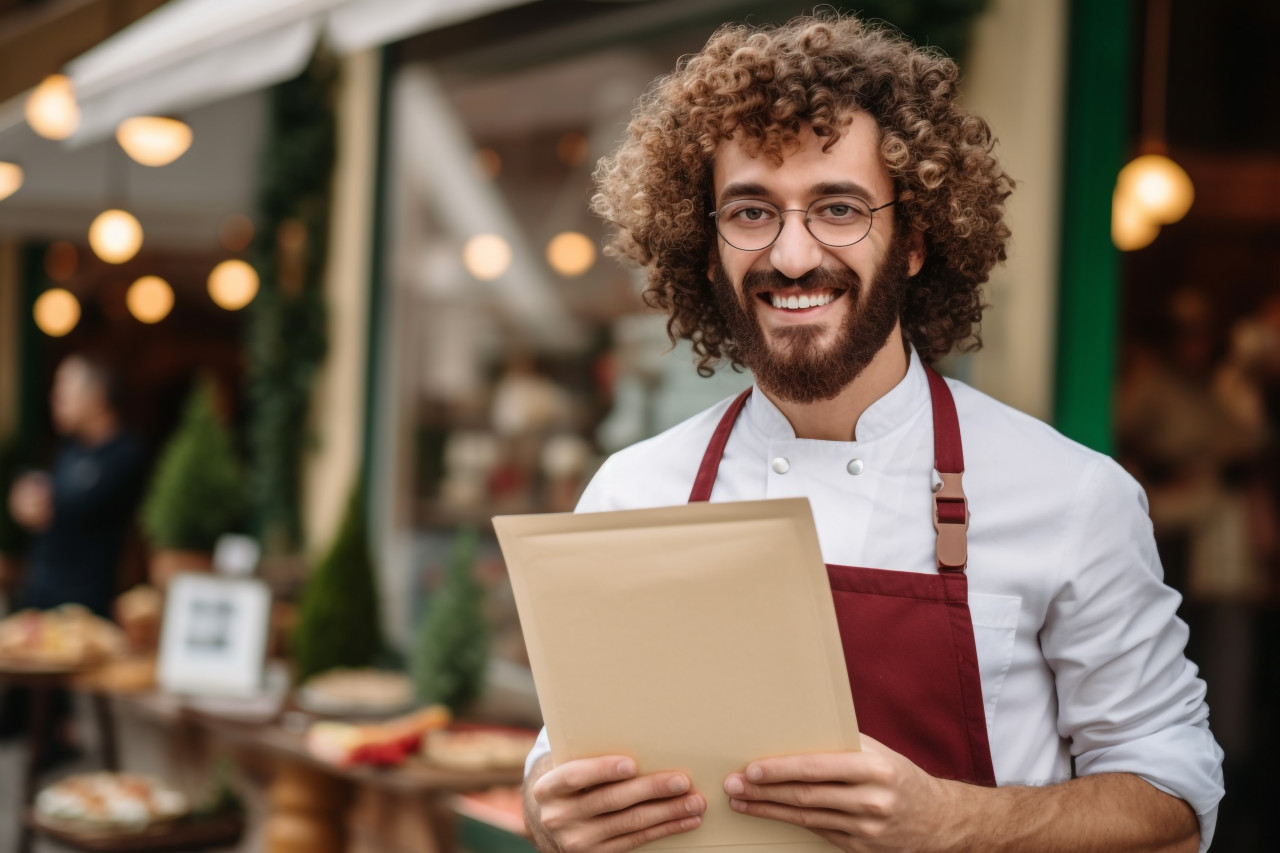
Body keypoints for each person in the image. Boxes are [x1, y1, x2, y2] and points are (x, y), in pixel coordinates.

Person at [521, 13, 1223, 853]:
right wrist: (548, 809)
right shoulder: (632, 493)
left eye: (838, 208)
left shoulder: (1072, 495)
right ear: (705, 251)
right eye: (750, 212)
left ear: (917, 238)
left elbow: (1173, 794)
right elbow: (556, 765)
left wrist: (957, 822)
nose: (790, 256)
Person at [1, 353, 147, 754]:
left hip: (81, 610)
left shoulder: (124, 454)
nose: (55, 399)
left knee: (50, 733)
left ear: (96, 396)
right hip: (38, 598)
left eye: (64, 390)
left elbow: (72, 505)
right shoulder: (69, 451)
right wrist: (21, 497)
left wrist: (40, 498)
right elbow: (44, 495)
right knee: (17, 723)